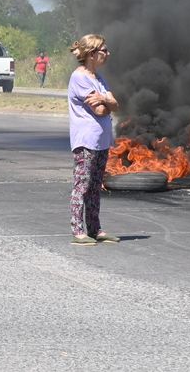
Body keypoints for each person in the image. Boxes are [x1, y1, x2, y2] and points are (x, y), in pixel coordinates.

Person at [67, 34, 118, 245]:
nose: (108, 54)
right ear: (91, 53)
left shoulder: (98, 78)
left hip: (101, 141)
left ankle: (95, 229)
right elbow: (99, 110)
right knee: (83, 185)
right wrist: (108, 102)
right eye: (104, 50)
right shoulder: (79, 78)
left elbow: (114, 104)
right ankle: (78, 230)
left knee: (96, 187)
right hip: (86, 141)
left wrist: (105, 98)